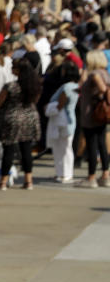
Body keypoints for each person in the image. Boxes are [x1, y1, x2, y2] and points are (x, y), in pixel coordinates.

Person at [0, 58, 42, 190]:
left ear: (19, 71)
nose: (11, 69)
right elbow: (35, 101)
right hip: (29, 117)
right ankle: (29, 181)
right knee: (26, 149)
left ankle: (3, 181)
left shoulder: (10, 86)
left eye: (13, 67)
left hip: (12, 118)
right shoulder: (35, 86)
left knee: (8, 150)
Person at [78, 50, 110, 188]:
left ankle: (91, 177)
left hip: (91, 113)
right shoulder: (104, 73)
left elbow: (102, 89)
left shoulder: (95, 74)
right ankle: (105, 175)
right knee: (101, 143)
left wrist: (98, 96)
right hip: (99, 114)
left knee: (92, 145)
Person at [45, 61, 80, 184]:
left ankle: (64, 174)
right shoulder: (76, 86)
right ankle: (64, 173)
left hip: (62, 121)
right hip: (69, 120)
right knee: (65, 148)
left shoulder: (66, 87)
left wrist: (48, 108)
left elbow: (60, 104)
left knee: (62, 149)